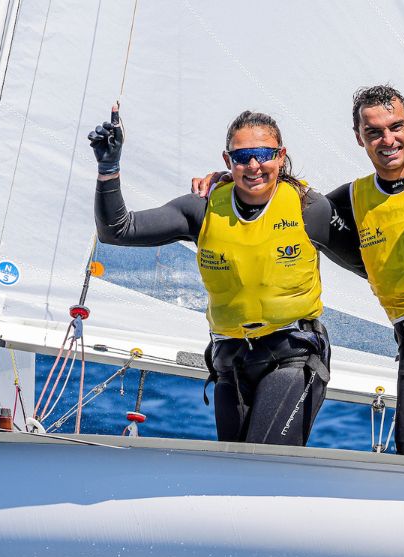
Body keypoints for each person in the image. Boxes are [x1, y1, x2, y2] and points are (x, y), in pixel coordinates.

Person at [194, 62, 404, 468]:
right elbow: (279, 193)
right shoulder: (351, 200)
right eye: (373, 132)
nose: (387, 139)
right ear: (360, 139)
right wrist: (229, 175)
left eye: (395, 127)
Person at [90, 107, 364, 445]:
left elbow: (366, 265)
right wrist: (108, 169)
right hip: (231, 361)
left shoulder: (309, 208)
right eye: (242, 157)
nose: (253, 166)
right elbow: (117, 229)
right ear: (227, 158)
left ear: (280, 156)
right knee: (234, 465)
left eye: (263, 155)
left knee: (261, 462)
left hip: (294, 354)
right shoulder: (202, 208)